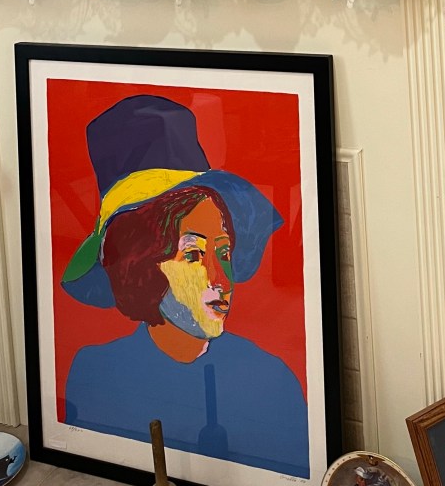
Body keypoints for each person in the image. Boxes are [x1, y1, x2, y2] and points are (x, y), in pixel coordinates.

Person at [62, 95, 309, 478]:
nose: (220, 278)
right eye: (193, 254)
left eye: (224, 252)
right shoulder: (94, 372)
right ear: (141, 265)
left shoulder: (272, 382)